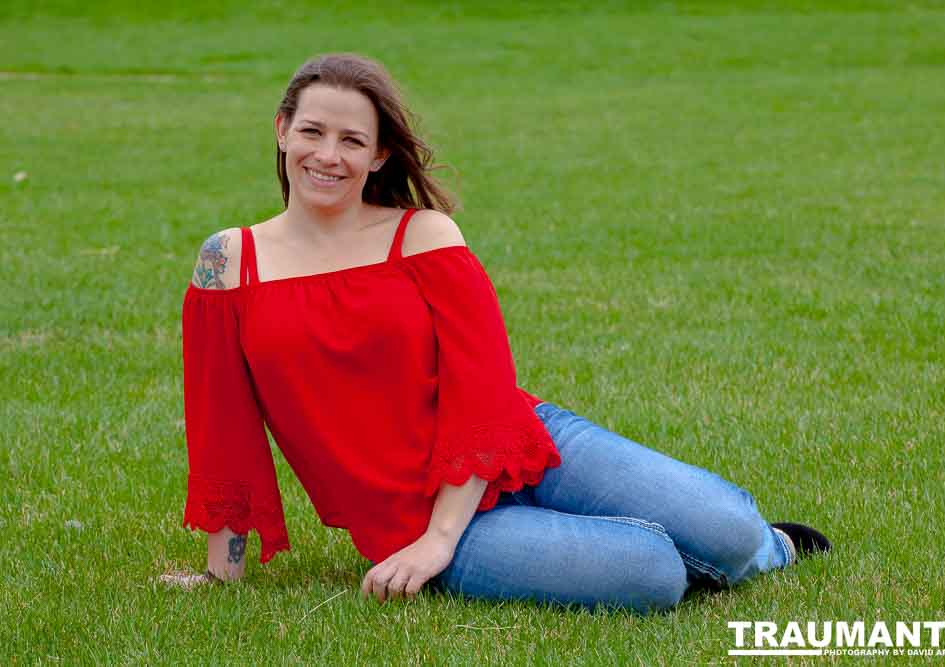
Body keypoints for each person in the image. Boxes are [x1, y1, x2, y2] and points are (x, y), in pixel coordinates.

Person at [160, 53, 831, 614]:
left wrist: (444, 536)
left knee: (733, 531)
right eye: (312, 131)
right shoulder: (228, 263)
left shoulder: (422, 236)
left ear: (380, 152)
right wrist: (224, 572)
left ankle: (760, 548)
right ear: (281, 131)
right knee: (650, 573)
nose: (327, 156)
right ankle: (678, 557)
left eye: (352, 140)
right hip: (411, 523)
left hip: (523, 442)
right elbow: (223, 425)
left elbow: (481, 389)